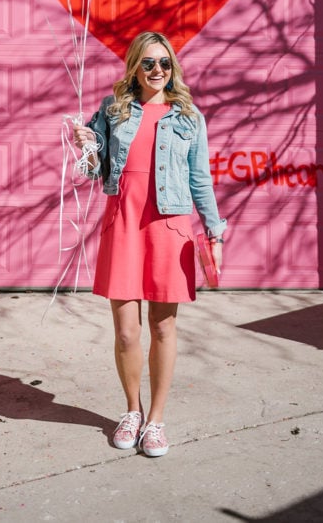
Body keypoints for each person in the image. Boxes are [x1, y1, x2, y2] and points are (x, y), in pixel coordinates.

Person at [73, 31, 226, 458]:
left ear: (172, 67)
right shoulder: (113, 109)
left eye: (164, 63)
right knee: (125, 332)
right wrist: (86, 145)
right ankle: (132, 411)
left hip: (169, 226)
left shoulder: (189, 117)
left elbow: (201, 180)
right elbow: (93, 170)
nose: (157, 70)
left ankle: (156, 420)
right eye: (148, 63)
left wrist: (215, 232)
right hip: (123, 223)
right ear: (135, 67)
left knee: (162, 326)